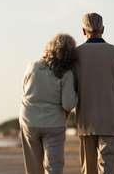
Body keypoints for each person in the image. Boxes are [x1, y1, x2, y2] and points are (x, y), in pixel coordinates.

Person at [75, 13, 114, 174]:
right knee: (107, 170)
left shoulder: (76, 54)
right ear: (103, 29)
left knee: (89, 171)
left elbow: (70, 90)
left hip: (86, 122)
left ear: (83, 31)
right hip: (112, 121)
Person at [19, 33, 78, 174]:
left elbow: (24, 88)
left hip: (29, 121)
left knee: (33, 166)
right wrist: (77, 95)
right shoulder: (67, 73)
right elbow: (68, 104)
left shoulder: (33, 66)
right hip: (53, 123)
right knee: (54, 166)